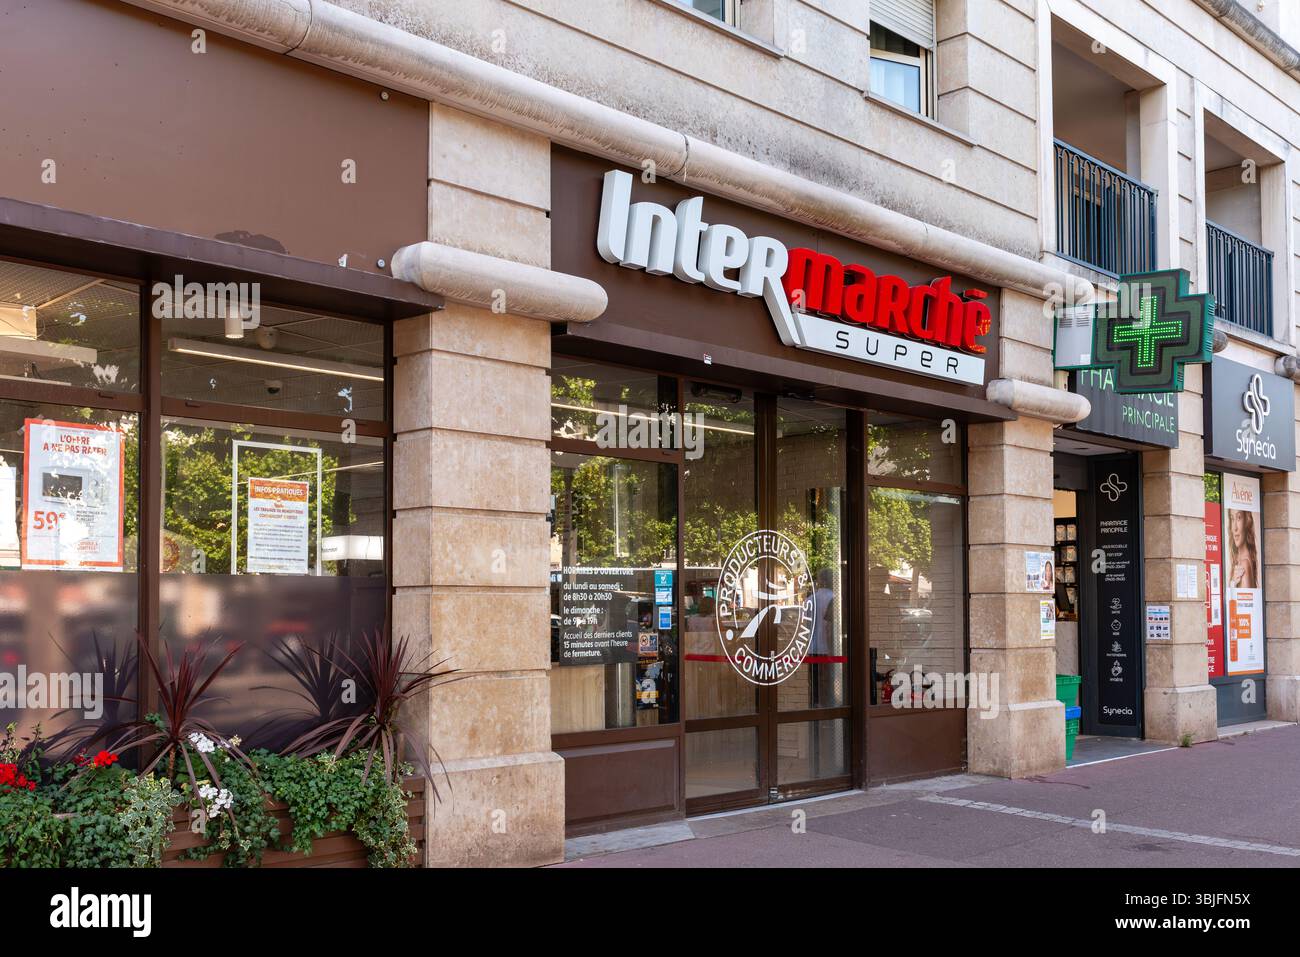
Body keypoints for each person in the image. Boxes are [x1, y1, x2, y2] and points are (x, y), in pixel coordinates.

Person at [1228, 508, 1259, 589]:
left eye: (1239, 518)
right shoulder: (1243, 559)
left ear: (1246, 522)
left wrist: (1232, 584)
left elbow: (1245, 601)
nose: (1235, 528)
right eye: (1232, 519)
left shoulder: (1243, 564)